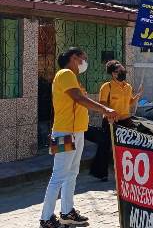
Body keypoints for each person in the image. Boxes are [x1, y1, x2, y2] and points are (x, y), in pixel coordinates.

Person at [40, 47, 118, 228]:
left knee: (72, 173)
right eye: (84, 58)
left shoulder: (72, 78)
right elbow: (78, 98)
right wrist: (104, 109)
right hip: (65, 132)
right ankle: (46, 218)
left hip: (76, 132)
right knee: (59, 175)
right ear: (74, 58)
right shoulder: (66, 73)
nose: (85, 62)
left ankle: (67, 212)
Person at [90, 60, 142, 181]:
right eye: (118, 71)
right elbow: (102, 104)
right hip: (110, 122)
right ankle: (101, 174)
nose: (122, 72)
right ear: (113, 73)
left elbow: (129, 102)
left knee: (128, 147)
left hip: (125, 120)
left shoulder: (128, 87)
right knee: (105, 147)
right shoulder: (106, 87)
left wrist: (136, 97)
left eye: (123, 70)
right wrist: (109, 115)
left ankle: (127, 173)